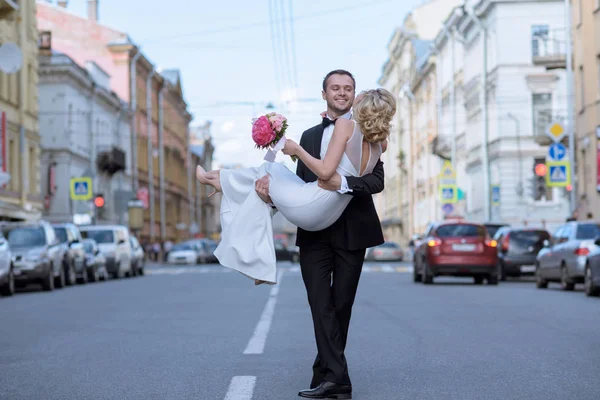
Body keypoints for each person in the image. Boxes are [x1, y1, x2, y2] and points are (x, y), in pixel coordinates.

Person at [227, 70, 387, 399]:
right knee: (319, 304)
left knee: (341, 306)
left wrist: (343, 185)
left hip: (353, 232)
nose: (342, 93)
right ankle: (336, 378)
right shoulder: (311, 134)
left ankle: (327, 374)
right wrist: (269, 196)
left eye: (348, 88)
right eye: (335, 88)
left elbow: (376, 182)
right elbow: (298, 187)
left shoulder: (370, 131)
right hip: (314, 233)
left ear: (355, 95)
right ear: (325, 93)